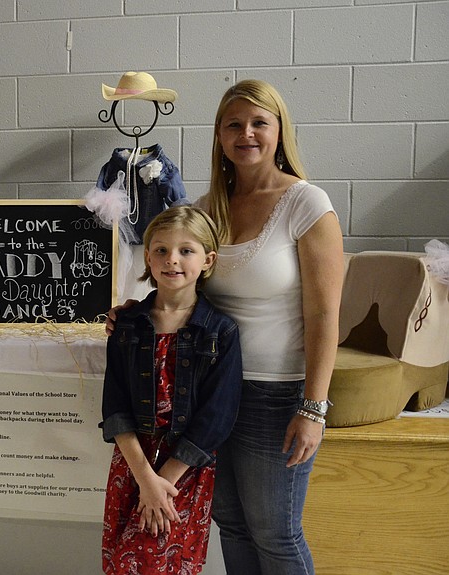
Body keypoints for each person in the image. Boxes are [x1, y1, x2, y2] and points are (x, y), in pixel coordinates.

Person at [107, 79, 344, 574]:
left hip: (276, 393)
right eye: (233, 124)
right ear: (218, 134)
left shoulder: (307, 204)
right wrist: (134, 311)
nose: (247, 134)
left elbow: (325, 315)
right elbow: (184, 284)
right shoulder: (207, 207)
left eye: (260, 122)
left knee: (276, 532)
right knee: (231, 524)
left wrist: (314, 408)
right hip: (209, 391)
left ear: (280, 132)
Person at [100, 206, 243, 574]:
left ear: (208, 259)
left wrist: (163, 483)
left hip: (184, 470)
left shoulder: (220, 331)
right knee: (122, 561)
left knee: (169, 561)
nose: (172, 260)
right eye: (161, 250)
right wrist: (146, 480)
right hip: (134, 464)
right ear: (147, 256)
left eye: (186, 250)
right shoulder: (127, 324)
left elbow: (217, 418)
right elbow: (115, 408)